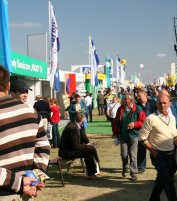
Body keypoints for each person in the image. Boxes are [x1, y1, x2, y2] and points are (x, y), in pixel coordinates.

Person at [0, 65, 51, 199]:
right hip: (27, 192)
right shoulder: (31, 112)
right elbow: (44, 148)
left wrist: (21, 183)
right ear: (8, 85)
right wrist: (36, 179)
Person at [139, 93, 177, 201]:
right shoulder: (151, 118)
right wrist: (152, 150)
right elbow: (142, 137)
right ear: (156, 104)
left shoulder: (172, 118)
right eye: (160, 103)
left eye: (164, 103)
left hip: (171, 154)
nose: (162, 105)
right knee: (168, 181)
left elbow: (175, 137)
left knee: (166, 175)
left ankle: (153, 198)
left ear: (169, 104)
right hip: (158, 155)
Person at [59, 112, 102, 180]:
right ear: (83, 120)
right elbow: (75, 146)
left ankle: (96, 170)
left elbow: (84, 138)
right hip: (66, 152)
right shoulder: (73, 128)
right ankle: (91, 174)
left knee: (91, 149)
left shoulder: (75, 124)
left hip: (69, 150)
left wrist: (89, 144)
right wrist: (87, 146)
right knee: (88, 152)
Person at [112, 94, 146, 181]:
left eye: (125, 99)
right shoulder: (121, 109)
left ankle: (133, 173)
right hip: (123, 135)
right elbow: (116, 121)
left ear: (131, 100)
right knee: (124, 154)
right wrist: (115, 133)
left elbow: (143, 121)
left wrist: (134, 124)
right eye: (123, 98)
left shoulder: (138, 108)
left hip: (133, 135)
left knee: (133, 155)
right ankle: (125, 167)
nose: (123, 100)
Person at [136, 90, 157, 173]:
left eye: (139, 96)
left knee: (153, 147)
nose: (138, 97)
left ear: (145, 95)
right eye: (137, 96)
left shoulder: (153, 103)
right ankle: (141, 167)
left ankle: (156, 163)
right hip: (141, 130)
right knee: (141, 149)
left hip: (152, 129)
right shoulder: (136, 105)